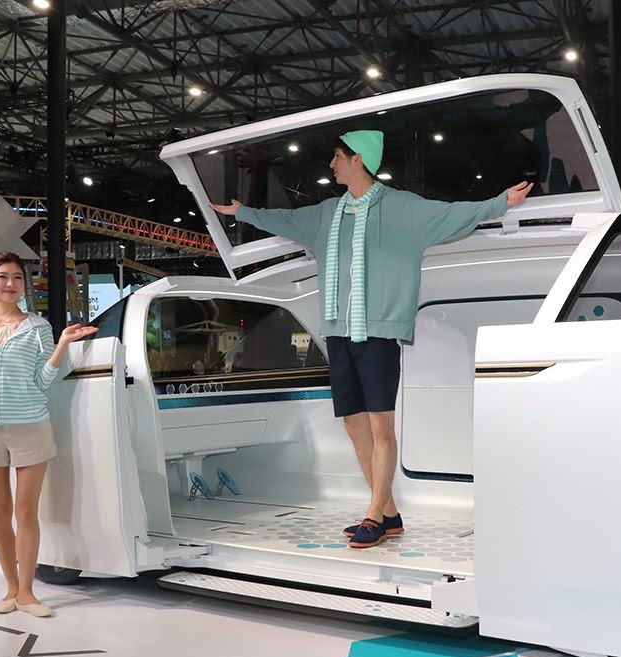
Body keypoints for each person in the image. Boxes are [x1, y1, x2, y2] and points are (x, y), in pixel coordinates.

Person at [211, 130, 532, 548]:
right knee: (353, 423)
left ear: (357, 159)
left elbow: (452, 214)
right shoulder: (328, 214)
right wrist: (243, 212)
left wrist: (499, 203)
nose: (331, 164)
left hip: (377, 332)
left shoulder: (402, 208)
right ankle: (389, 515)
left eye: (337, 156)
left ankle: (373, 515)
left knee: (381, 427)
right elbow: (285, 221)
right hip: (338, 331)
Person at [0, 252, 97, 618]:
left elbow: (44, 381)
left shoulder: (37, 328)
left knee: (26, 511)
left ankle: (28, 592)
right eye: (3, 276)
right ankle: (11, 587)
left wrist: (61, 345)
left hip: (31, 427)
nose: (10, 284)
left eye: (17, 277)